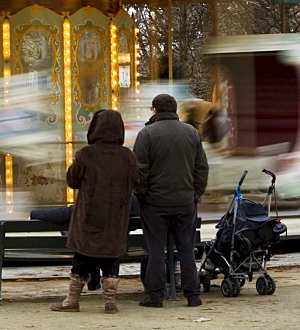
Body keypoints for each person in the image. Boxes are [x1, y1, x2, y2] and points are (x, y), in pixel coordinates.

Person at [49, 109, 138, 313]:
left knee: (81, 258)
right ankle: (110, 302)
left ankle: (72, 300)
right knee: (111, 257)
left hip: (89, 216)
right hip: (116, 217)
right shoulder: (127, 156)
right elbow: (136, 181)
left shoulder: (86, 154)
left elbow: (73, 181)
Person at [134, 93, 209, 308]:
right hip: (185, 201)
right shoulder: (191, 133)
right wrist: (195, 193)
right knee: (186, 249)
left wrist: (144, 195)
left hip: (155, 203)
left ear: (154, 110)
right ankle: (193, 295)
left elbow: (140, 171)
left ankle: (155, 296)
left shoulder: (146, 134)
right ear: (175, 110)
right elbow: (201, 168)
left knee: (155, 250)